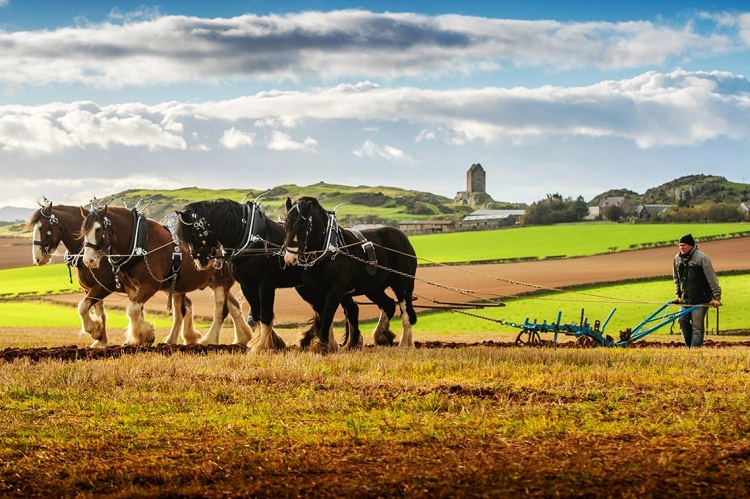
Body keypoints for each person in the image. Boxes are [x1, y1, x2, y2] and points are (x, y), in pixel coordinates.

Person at [672, 233, 722, 347]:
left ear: (691, 245)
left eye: (683, 245)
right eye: (680, 245)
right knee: (682, 321)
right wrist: (678, 295)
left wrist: (716, 297)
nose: (681, 248)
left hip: (701, 299)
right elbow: (676, 279)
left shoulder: (702, 258)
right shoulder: (677, 259)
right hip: (685, 299)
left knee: (697, 326)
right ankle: (689, 347)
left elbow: (712, 279)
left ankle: (695, 350)